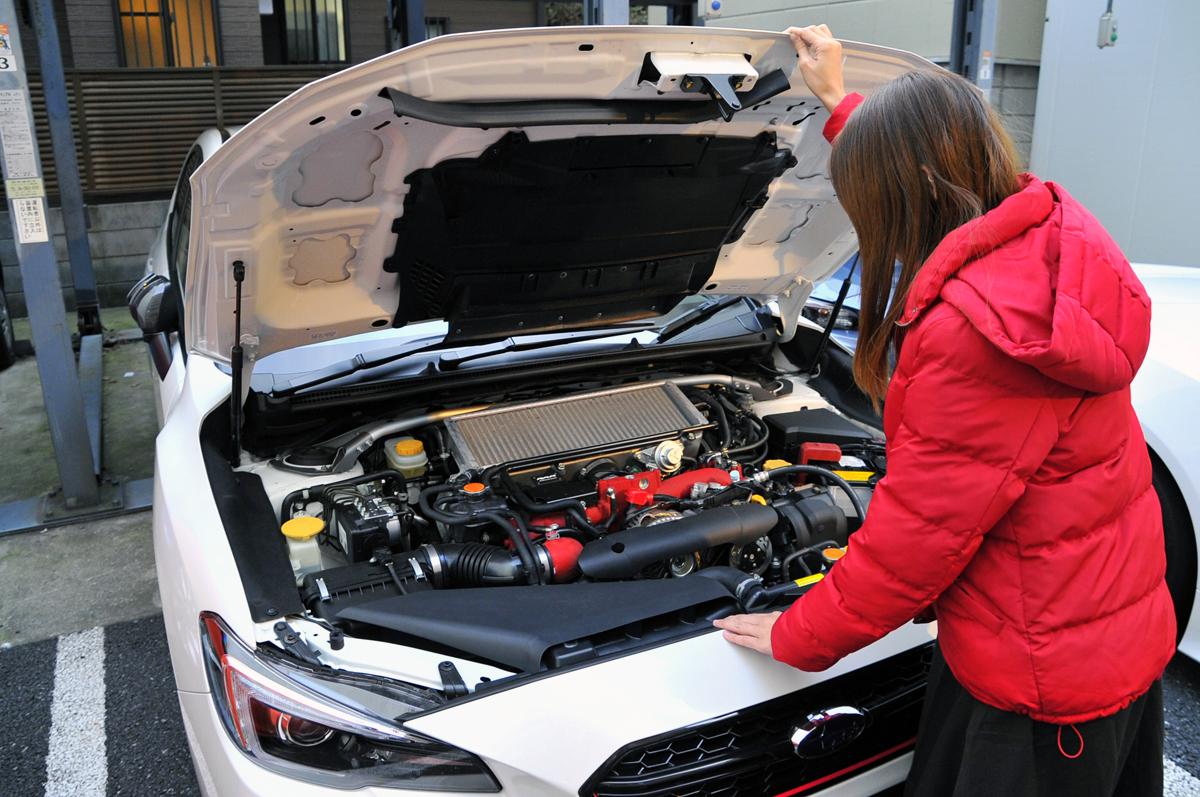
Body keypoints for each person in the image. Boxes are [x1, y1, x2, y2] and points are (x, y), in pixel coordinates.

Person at [712, 25, 1176, 797]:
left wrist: (799, 633)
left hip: (1037, 694)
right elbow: (921, 158)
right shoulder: (1049, 234)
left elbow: (912, 548)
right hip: (1104, 631)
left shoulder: (974, 332)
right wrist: (837, 100)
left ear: (908, 192)